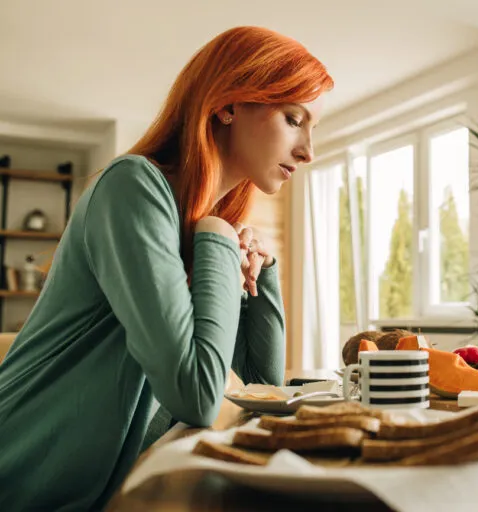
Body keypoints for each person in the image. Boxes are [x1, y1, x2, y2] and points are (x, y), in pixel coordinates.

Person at [0, 26, 333, 510]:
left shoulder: (201, 228)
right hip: (21, 474)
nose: (308, 151)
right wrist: (219, 237)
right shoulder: (133, 188)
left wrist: (266, 269)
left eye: (311, 128)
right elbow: (196, 395)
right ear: (228, 105)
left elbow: (260, 397)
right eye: (292, 118)